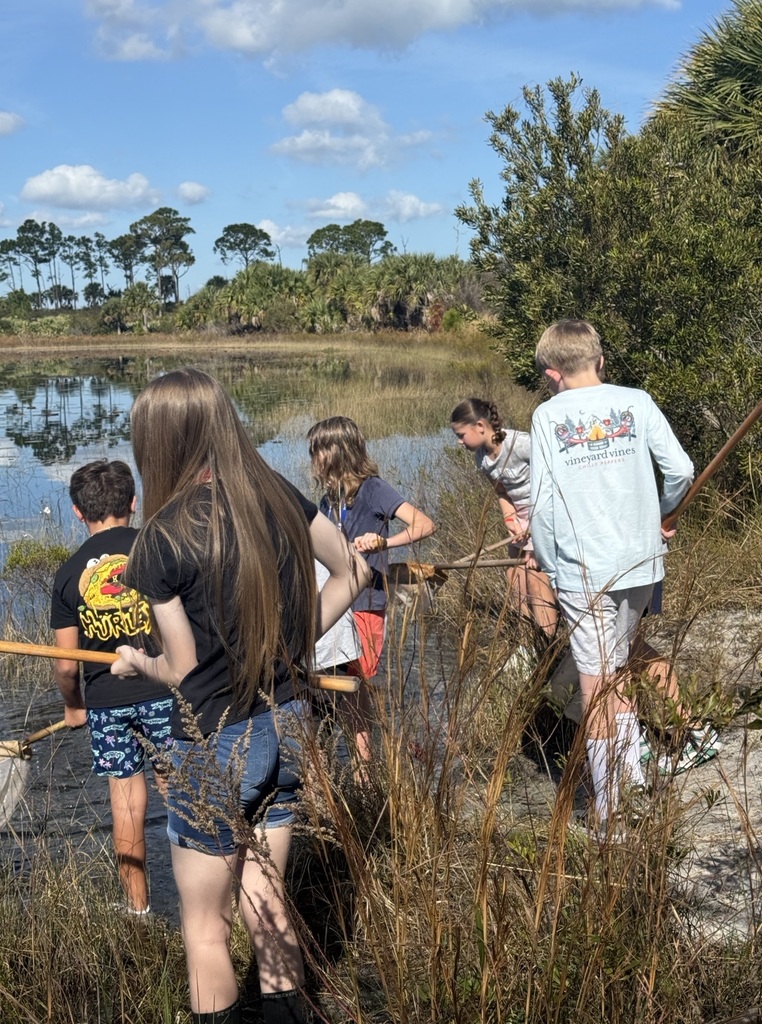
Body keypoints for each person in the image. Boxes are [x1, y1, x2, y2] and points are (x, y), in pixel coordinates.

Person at [111, 369, 369, 1024]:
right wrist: (292, 641)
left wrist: (138, 660)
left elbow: (182, 666)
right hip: (287, 722)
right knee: (268, 899)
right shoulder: (278, 492)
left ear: (158, 443)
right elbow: (356, 569)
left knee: (203, 927)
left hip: (212, 741)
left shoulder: (161, 538)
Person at [529, 319, 695, 836]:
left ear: (552, 374)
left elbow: (540, 505)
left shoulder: (547, 417)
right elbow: (683, 471)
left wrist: (551, 568)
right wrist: (662, 518)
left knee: (598, 684)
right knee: (619, 670)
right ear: (599, 362)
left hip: (585, 570)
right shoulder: (638, 401)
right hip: (641, 562)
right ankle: (627, 778)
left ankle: (610, 812)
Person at [51, 459, 173, 917]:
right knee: (179, 788)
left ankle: (137, 909)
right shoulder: (159, 548)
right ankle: (206, 894)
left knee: (126, 802)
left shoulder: (68, 575)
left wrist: (74, 706)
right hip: (168, 691)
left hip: (106, 703)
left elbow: (67, 666)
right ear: (133, 503)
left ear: (77, 513)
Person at [307, 416, 436, 761]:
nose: (313, 459)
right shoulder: (328, 501)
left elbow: (424, 524)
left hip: (366, 601)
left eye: (317, 451)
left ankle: (366, 765)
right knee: (339, 684)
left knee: (358, 682)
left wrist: (385, 542)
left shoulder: (374, 489)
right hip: (335, 602)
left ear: (337, 451)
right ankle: (360, 754)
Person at [450, 397, 558, 641]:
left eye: (461, 434)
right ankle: (526, 638)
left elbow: (555, 482)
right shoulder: (481, 457)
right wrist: (511, 521)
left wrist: (536, 528)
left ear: (480, 426)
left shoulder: (522, 445)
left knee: (535, 577)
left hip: (545, 515)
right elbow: (501, 492)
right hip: (520, 519)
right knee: (514, 575)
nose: (459, 442)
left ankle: (546, 643)